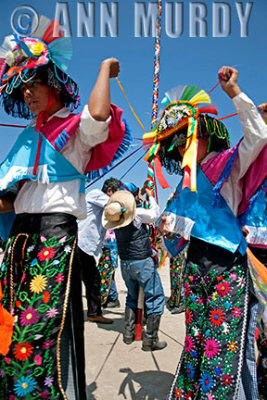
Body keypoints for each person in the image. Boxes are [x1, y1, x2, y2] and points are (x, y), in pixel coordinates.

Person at [0, 16, 129, 399]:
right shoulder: (27, 137)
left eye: (33, 83)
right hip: (19, 238)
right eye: (21, 88)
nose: (27, 93)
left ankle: (54, 392)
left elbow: (99, 117)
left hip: (54, 239)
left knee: (44, 327)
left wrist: (104, 68)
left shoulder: (74, 130)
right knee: (13, 321)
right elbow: (10, 197)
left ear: (52, 83)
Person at [142, 68, 267, 398]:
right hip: (196, 271)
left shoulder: (229, 164)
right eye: (175, 142)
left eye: (186, 138)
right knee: (197, 344)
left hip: (229, 270)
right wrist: (156, 219)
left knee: (222, 352)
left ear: (205, 134)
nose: (181, 147)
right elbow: (176, 235)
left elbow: (258, 136)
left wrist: (235, 92)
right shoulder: (185, 186)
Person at [102, 181, 167, 351]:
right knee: (155, 297)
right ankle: (150, 340)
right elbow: (155, 215)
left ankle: (128, 334)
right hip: (141, 262)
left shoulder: (115, 217)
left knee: (131, 296)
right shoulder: (136, 213)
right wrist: (151, 196)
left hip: (125, 263)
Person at [77, 177, 122, 324]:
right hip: (81, 243)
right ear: (110, 191)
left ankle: (94, 312)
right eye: (117, 193)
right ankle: (92, 312)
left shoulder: (104, 204)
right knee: (84, 280)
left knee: (93, 280)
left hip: (87, 247)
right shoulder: (96, 195)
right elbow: (115, 208)